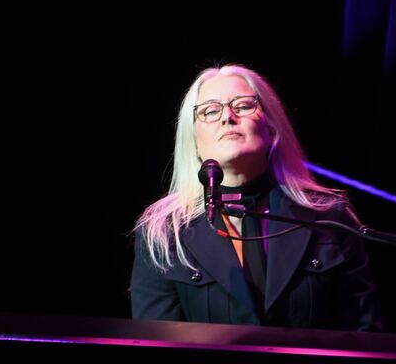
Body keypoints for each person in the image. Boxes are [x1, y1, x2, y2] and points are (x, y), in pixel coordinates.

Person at [131, 64, 381, 331]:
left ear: (271, 127)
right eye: (211, 111)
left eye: (242, 105)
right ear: (193, 141)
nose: (228, 116)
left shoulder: (330, 219)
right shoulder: (165, 232)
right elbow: (156, 349)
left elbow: (363, 334)